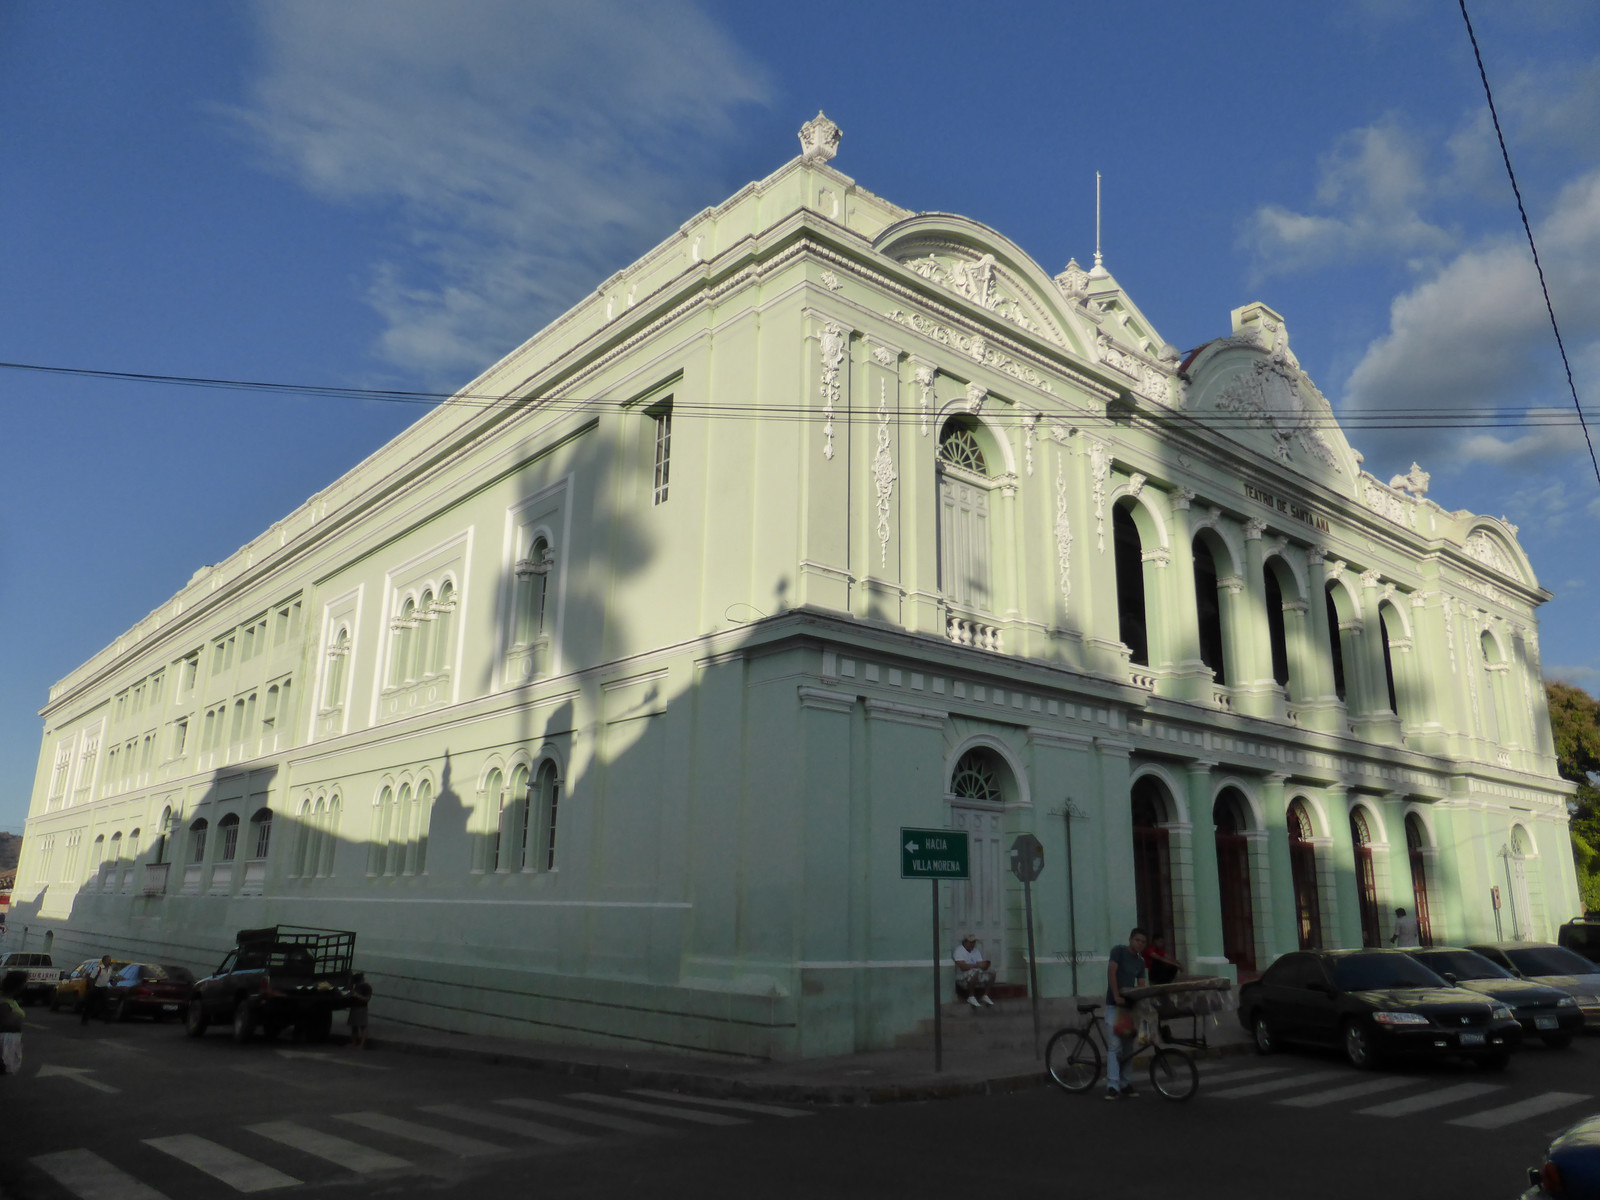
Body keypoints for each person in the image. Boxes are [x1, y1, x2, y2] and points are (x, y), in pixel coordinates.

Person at [1105, 928, 1149, 1100]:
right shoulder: (1119, 951)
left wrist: (1143, 1001)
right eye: (1137, 940)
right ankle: (1112, 1085)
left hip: (1129, 1008)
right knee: (1114, 1046)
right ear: (1130, 939)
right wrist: (1116, 996)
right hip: (1114, 1005)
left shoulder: (1140, 962)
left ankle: (1126, 1083)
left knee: (1128, 1047)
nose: (1140, 944)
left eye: (1143, 942)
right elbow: (1112, 972)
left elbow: (1142, 984)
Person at [952, 934, 995, 1008]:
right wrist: (977, 966)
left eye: (974, 942)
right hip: (962, 975)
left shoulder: (976, 951)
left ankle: (985, 995)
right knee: (975, 972)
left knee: (992, 972)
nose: (973, 944)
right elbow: (963, 967)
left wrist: (985, 965)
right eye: (971, 942)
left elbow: (980, 963)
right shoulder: (959, 951)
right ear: (965, 942)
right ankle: (971, 996)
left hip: (975, 972)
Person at [0, 971, 25, 1076]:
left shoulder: (10, 999)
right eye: (23, 984)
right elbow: (3, 1022)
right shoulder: (4, 1002)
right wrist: (17, 1017)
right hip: (4, 1041)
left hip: (10, 1040)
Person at [81, 955, 115, 1026]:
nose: (109, 962)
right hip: (96, 988)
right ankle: (85, 1020)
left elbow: (108, 978)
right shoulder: (98, 968)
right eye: (108, 960)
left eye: (110, 960)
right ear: (104, 961)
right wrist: (92, 988)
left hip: (104, 988)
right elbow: (91, 978)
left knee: (106, 1004)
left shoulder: (110, 969)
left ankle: (107, 1020)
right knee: (90, 1004)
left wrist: (111, 981)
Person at [347, 972, 373, 1050]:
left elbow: (367, 999)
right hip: (355, 1007)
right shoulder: (357, 987)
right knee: (354, 1026)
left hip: (361, 1008)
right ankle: (354, 1043)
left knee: (362, 1026)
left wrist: (357, 995)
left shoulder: (366, 987)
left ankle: (361, 1045)